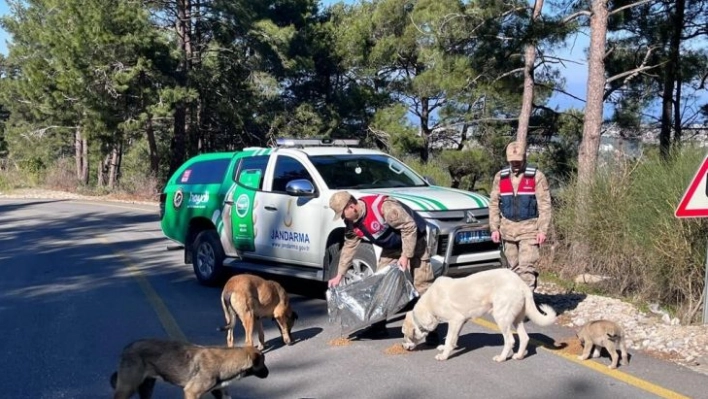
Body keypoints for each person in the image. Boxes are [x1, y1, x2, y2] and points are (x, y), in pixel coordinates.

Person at [328, 191, 437, 341]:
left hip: (415, 239)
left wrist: (405, 256)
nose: (342, 218)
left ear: (351, 206)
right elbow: (349, 247)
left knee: (422, 285)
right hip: (392, 247)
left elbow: (409, 227)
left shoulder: (383, 207)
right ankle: (378, 328)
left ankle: (432, 331)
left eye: (342, 213)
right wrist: (339, 275)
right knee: (380, 285)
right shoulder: (351, 223)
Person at [489, 141, 552, 290]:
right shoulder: (500, 177)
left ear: (524, 158)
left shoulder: (536, 176)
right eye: (512, 161)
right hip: (507, 230)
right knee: (513, 270)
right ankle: (516, 304)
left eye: (518, 160)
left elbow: (545, 205)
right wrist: (494, 228)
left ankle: (527, 305)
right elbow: (493, 204)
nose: (515, 164)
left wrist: (542, 230)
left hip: (529, 229)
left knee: (526, 269)